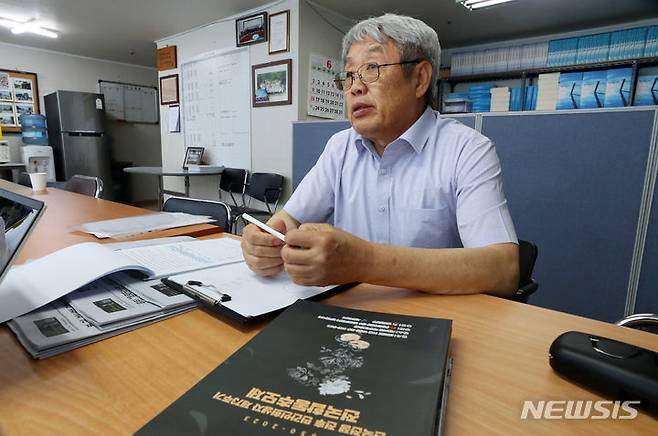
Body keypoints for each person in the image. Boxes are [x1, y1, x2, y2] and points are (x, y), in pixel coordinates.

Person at [241, 13, 519, 296]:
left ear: (420, 79)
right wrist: (266, 242)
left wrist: (365, 261)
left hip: (429, 321)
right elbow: (289, 220)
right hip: (349, 313)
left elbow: (503, 270)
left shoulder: (467, 150)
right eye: (349, 75)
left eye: (371, 68)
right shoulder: (340, 147)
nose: (355, 87)